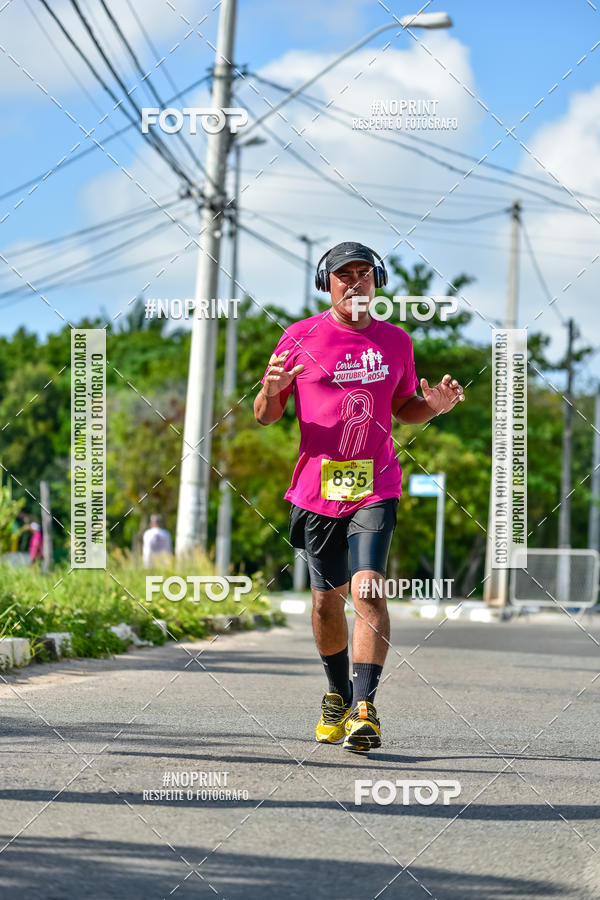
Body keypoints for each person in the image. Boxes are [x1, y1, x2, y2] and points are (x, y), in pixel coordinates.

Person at [254, 241, 465, 753]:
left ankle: (365, 707)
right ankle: (337, 694)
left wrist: (432, 407)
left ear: (378, 282)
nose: (355, 283)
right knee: (327, 603)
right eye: (343, 275)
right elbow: (265, 415)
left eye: (364, 274)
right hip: (316, 488)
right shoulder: (299, 336)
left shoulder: (396, 342)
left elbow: (405, 408)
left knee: (368, 587)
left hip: (376, 483)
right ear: (326, 284)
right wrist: (270, 388)